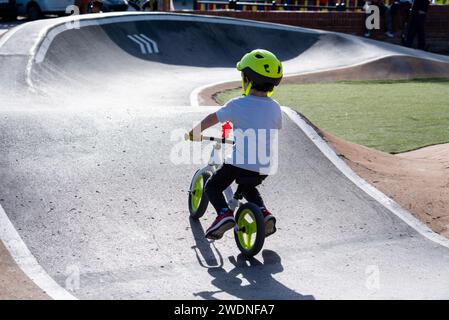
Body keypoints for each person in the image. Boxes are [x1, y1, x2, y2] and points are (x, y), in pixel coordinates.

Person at [188, 49, 283, 240]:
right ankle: (264, 213)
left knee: (213, 187)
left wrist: (195, 132)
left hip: (238, 163)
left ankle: (224, 213)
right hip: (263, 166)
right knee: (248, 187)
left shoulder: (237, 104)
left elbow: (213, 118)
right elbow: (271, 128)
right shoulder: (275, 107)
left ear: (247, 78)